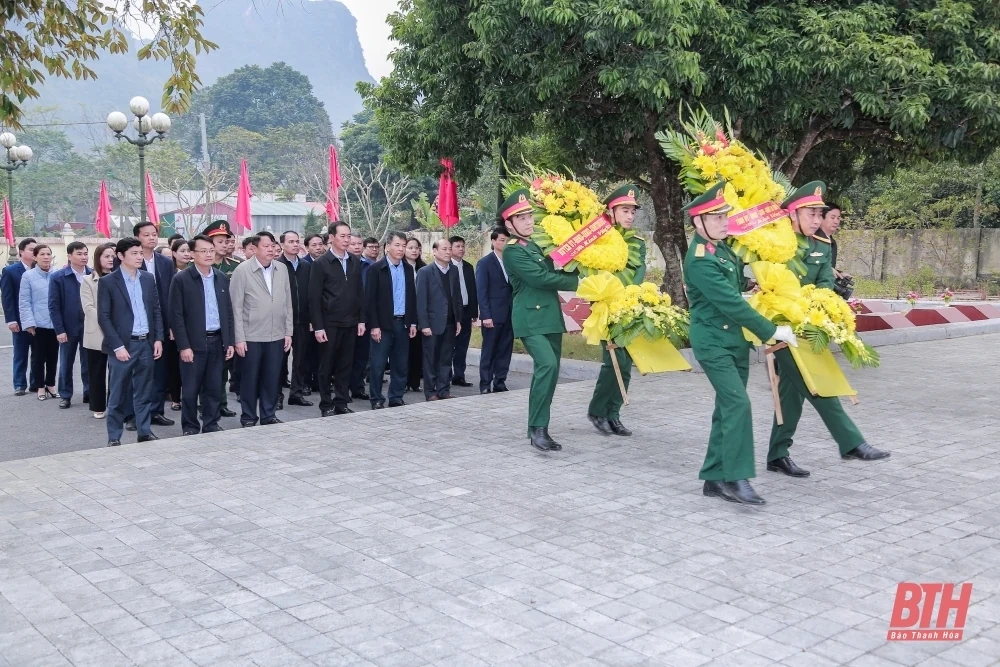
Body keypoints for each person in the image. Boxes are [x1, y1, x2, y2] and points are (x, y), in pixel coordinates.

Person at [766, 183, 890, 477]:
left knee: (791, 393)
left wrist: (821, 312)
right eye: (810, 213)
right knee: (817, 384)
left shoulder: (821, 245)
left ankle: (777, 454)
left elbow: (824, 285)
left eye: (819, 214)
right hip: (781, 328)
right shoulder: (775, 245)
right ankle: (851, 442)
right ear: (792, 214)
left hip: (808, 327)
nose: (816, 219)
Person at [683, 182, 795, 505]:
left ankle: (713, 478)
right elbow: (731, 302)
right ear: (698, 222)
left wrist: (754, 281)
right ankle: (736, 478)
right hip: (714, 342)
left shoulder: (722, 249)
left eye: (724, 215)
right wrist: (771, 330)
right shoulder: (700, 259)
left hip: (733, 342)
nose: (723, 222)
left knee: (725, 409)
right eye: (715, 217)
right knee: (738, 405)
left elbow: (733, 281)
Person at [501, 189, 580, 451]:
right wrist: (578, 281)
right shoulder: (512, 251)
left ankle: (540, 428)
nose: (528, 221)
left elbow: (557, 265)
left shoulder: (534, 245)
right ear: (509, 224)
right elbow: (540, 278)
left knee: (550, 372)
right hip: (529, 319)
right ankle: (537, 429)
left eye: (529, 216)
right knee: (546, 365)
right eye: (521, 218)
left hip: (550, 317)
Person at [587, 185, 646, 437]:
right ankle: (598, 411)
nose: (630, 216)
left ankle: (614, 414)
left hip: (630, 307)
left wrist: (634, 296)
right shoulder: (599, 241)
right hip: (606, 306)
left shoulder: (638, 242)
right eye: (625, 210)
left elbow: (640, 272)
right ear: (610, 212)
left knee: (626, 362)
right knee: (613, 362)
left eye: (632, 211)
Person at [98, 237, 164, 447]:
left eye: (140, 253)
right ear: (120, 256)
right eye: (134, 253)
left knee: (144, 391)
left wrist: (158, 339)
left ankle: (144, 431)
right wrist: (117, 346)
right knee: (118, 392)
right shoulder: (109, 282)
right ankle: (114, 436)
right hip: (123, 346)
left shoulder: (147, 278)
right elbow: (104, 317)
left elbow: (155, 310)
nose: (139, 257)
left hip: (146, 342)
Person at [169, 235, 236, 435]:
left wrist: (229, 341)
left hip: (217, 340)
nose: (208, 254)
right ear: (192, 254)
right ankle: (190, 426)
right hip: (193, 343)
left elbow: (228, 312)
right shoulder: (181, 279)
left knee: (214, 387)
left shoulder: (220, 277)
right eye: (203, 251)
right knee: (190, 389)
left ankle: (211, 423)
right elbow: (176, 315)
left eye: (210, 250)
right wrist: (183, 346)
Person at [230, 232, 293, 427]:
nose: (271, 249)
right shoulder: (242, 270)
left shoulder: (281, 269)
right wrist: (239, 338)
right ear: (254, 249)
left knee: (272, 377)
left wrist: (288, 332)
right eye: (266, 246)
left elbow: (288, 302)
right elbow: (236, 307)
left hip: (276, 334)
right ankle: (249, 417)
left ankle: (268, 414)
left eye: (273, 246)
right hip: (251, 335)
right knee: (250, 378)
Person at [309, 222, 365, 417]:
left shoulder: (355, 261)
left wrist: (361, 320)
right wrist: (318, 326)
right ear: (331, 237)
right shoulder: (321, 263)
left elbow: (360, 293)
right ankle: (326, 404)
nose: (347, 239)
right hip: (329, 323)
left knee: (345, 365)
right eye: (343, 236)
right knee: (326, 366)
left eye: (349, 235)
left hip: (350, 321)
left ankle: (341, 401)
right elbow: (314, 298)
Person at [365, 231, 417, 409]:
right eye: (397, 245)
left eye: (403, 245)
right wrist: (374, 326)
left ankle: (396, 396)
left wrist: (413, 322)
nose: (401, 249)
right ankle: (376, 398)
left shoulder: (408, 269)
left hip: (402, 323)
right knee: (378, 364)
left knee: (401, 364)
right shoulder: (376, 269)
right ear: (387, 247)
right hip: (383, 324)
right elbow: (370, 300)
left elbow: (412, 297)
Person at [134, 220, 176, 427]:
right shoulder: (129, 261)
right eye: (146, 234)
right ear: (137, 238)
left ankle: (156, 411)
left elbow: (170, 296)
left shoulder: (166, 263)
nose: (151, 237)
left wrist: (171, 325)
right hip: (137, 323)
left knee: (160, 371)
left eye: (154, 234)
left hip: (161, 323)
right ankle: (133, 415)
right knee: (137, 372)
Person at [415, 239, 463, 401]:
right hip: (432, 323)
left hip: (450, 322)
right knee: (430, 359)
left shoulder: (454, 271)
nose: (448, 252)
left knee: (445, 358)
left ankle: (443, 389)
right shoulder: (425, 272)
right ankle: (430, 392)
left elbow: (456, 297)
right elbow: (420, 300)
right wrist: (424, 325)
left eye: (450, 249)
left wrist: (458, 320)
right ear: (435, 251)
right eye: (444, 249)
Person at [48, 240, 91, 409]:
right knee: (66, 362)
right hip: (68, 327)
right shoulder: (59, 276)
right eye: (79, 254)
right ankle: (65, 395)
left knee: (89, 362)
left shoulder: (92, 274)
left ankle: (89, 392)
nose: (83, 257)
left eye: (86, 253)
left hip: (89, 326)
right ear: (69, 256)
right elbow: (53, 305)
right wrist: (59, 329)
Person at [276, 230, 313, 407]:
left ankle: (296, 393)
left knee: (301, 359)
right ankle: (276, 396)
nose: (295, 244)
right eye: (291, 241)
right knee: (280, 360)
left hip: (303, 320)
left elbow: (313, 294)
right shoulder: (276, 266)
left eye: (297, 241)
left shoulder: (306, 266)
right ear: (282, 245)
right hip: (283, 321)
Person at [208, 220, 241, 418]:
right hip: (208, 323)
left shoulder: (236, 266)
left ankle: (221, 402)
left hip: (228, 322)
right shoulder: (197, 266)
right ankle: (205, 403)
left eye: (225, 241)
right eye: (219, 241)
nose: (223, 244)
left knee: (223, 366)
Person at [475, 228, 513, 394]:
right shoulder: (485, 263)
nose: (504, 243)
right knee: (489, 350)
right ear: (493, 241)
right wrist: (486, 315)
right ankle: (485, 384)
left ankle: (500, 382)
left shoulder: (512, 262)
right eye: (502, 240)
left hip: (510, 314)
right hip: (492, 315)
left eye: (507, 240)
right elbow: (481, 291)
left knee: (505, 350)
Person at [19, 244, 59, 401]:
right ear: (35, 257)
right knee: (38, 357)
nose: (46, 257)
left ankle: (51, 384)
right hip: (38, 324)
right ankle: (40, 387)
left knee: (53, 357)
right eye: (42, 254)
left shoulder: (57, 274)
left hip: (55, 324)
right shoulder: (28, 276)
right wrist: (29, 323)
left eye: (48, 254)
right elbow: (24, 301)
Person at [82, 243, 116, 419]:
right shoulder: (88, 280)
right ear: (98, 259)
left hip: (118, 332)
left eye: (112, 256)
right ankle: (98, 406)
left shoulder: (120, 278)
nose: (111, 259)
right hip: (96, 333)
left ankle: (115, 404)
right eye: (106, 256)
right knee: (96, 372)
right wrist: (107, 321)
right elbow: (88, 308)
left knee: (117, 372)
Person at [2, 237, 38, 395]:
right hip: (19, 319)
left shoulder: (42, 270)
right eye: (31, 249)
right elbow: (7, 297)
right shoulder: (10, 271)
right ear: (21, 252)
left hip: (39, 321)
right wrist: (11, 319)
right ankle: (19, 384)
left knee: (38, 354)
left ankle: (36, 383)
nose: (34, 252)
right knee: (21, 353)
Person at [447, 235, 479, 388]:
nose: (461, 249)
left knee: (462, 346)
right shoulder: (445, 267)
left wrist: (474, 312)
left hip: (466, 311)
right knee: (448, 345)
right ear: (450, 248)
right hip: (451, 313)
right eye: (457, 246)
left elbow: (472, 290)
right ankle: (445, 375)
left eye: (463, 246)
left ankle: (459, 375)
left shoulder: (468, 267)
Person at [165, 238, 192, 411]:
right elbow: (167, 303)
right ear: (174, 253)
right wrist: (171, 326)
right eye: (182, 251)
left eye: (189, 251)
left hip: (192, 325)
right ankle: (175, 398)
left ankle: (191, 397)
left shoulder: (194, 271)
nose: (186, 254)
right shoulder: (168, 272)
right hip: (174, 325)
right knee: (174, 363)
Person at [349, 233, 377, 401]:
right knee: (345, 356)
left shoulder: (369, 266)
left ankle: (358, 387)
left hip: (365, 317)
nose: (357, 246)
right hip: (346, 317)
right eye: (353, 243)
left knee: (362, 356)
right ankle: (342, 388)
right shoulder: (342, 264)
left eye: (360, 243)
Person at [404, 237, 426, 393]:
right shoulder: (399, 267)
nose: (414, 250)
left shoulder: (424, 268)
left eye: (416, 248)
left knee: (418, 350)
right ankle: (403, 381)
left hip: (420, 314)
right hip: (404, 313)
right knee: (404, 350)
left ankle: (414, 382)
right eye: (410, 247)